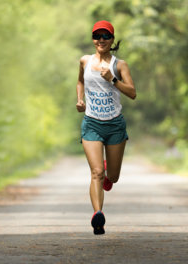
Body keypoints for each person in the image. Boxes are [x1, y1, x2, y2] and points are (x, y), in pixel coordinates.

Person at [75, 20, 136, 235]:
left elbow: (132, 93)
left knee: (113, 176)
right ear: (93, 39)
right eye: (97, 36)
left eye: (105, 36)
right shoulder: (84, 61)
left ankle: (108, 172)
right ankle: (97, 215)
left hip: (115, 125)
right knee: (97, 173)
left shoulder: (120, 65)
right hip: (92, 123)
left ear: (112, 40)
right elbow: (80, 81)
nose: (101, 40)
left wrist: (113, 80)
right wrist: (80, 100)